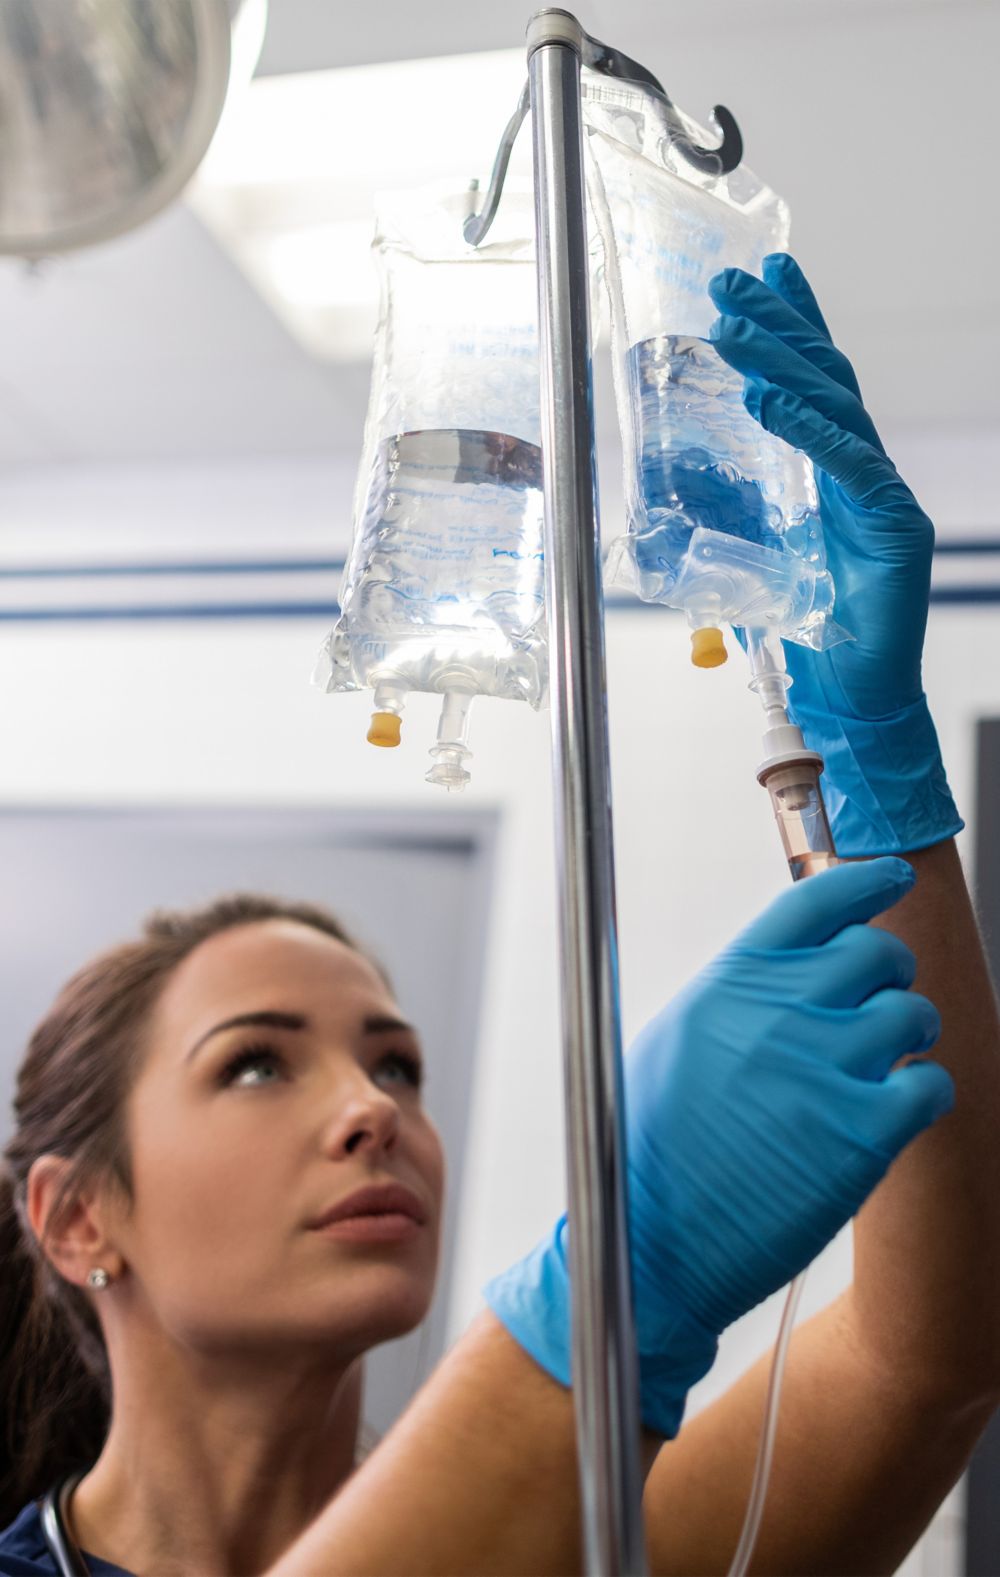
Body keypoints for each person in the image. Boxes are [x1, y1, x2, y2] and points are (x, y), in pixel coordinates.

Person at [0, 256, 997, 1577]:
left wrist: (872, 758)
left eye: (397, 1064)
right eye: (253, 1062)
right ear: (77, 1216)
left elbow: (925, 1359)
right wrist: (614, 1287)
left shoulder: (578, 1544)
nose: (373, 1113)